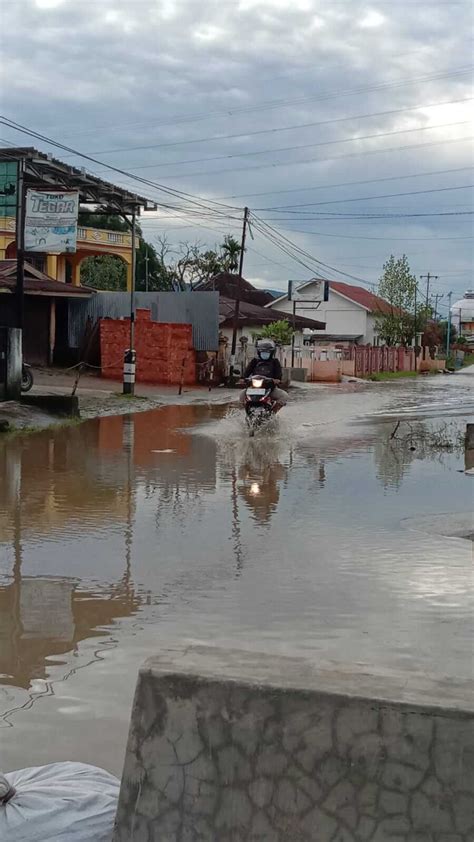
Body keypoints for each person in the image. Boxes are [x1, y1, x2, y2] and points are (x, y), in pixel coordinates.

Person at [239, 339, 288, 410]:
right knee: (241, 395)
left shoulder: (275, 362)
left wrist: (277, 380)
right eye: (262, 352)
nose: (264, 353)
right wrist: (243, 378)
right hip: (253, 388)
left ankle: (273, 413)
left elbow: (278, 375)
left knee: (284, 396)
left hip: (270, 388)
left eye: (267, 352)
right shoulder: (254, 361)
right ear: (259, 352)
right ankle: (246, 411)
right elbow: (247, 371)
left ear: (271, 353)